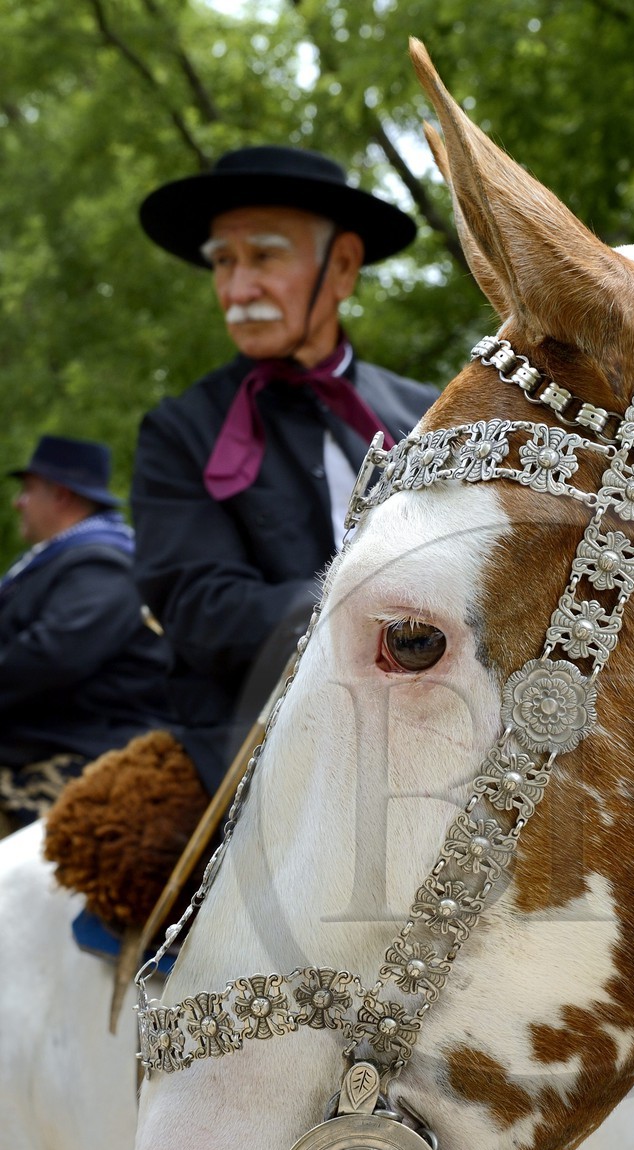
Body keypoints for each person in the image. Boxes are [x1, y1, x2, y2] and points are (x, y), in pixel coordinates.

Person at [132, 145, 438, 791]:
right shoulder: (179, 430)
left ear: (344, 266)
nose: (239, 290)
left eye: (265, 256)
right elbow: (201, 608)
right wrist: (383, 612)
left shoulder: (431, 411)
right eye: (223, 262)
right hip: (256, 737)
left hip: (441, 710)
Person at [0, 435, 172, 834]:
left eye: (27, 491)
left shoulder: (103, 563)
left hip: (79, 753)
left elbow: (52, 658)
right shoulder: (65, 559)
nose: (18, 502)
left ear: (59, 495)